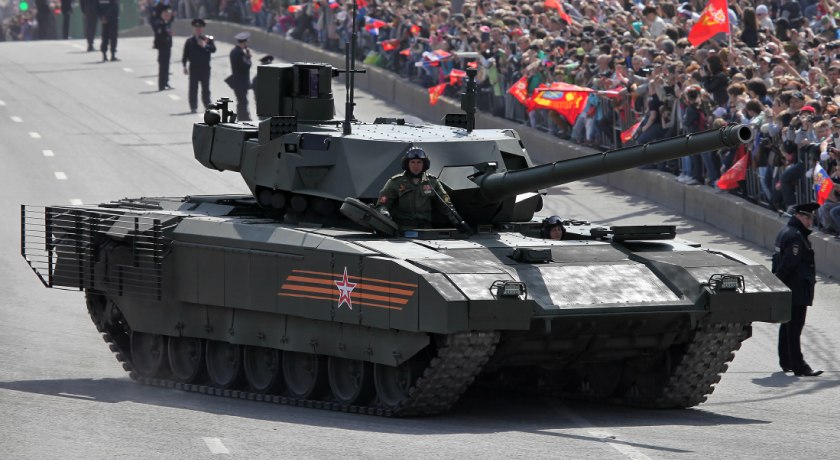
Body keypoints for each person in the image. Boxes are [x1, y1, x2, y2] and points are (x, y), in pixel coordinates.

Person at [772, 202, 823, 377]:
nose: (810, 223)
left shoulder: (787, 232)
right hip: (796, 289)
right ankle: (799, 366)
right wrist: (778, 284)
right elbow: (788, 264)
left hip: (791, 288)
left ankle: (786, 360)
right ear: (800, 216)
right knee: (794, 328)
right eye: (808, 218)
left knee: (787, 325)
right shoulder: (795, 237)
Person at [376, 147, 467, 231]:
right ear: (407, 164)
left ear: (424, 164)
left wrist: (458, 222)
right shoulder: (396, 182)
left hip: (426, 229)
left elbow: (446, 205)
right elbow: (382, 204)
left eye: (419, 162)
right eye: (413, 162)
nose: (416, 166)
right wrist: (384, 213)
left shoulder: (432, 182)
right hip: (402, 229)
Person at [182, 19, 216, 113]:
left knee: (206, 89)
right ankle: (193, 106)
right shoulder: (189, 41)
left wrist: (205, 45)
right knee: (193, 89)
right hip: (194, 68)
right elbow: (185, 55)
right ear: (194, 29)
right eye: (196, 28)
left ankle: (207, 106)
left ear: (202, 29)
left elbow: (213, 50)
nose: (198, 30)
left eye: (200, 28)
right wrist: (184, 66)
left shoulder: (208, 39)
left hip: (205, 68)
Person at [227, 32, 252, 121]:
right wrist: (248, 58)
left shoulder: (234, 51)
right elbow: (246, 66)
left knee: (241, 101)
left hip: (238, 82)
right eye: (246, 42)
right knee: (243, 101)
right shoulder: (240, 53)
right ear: (244, 43)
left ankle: (242, 117)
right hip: (241, 82)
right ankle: (244, 118)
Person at [152, 4, 174, 91]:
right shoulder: (160, 23)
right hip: (162, 48)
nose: (168, 16)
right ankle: (161, 85)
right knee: (163, 66)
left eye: (169, 14)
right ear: (162, 14)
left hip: (167, 47)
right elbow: (159, 36)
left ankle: (166, 82)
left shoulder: (167, 23)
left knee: (167, 66)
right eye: (166, 14)